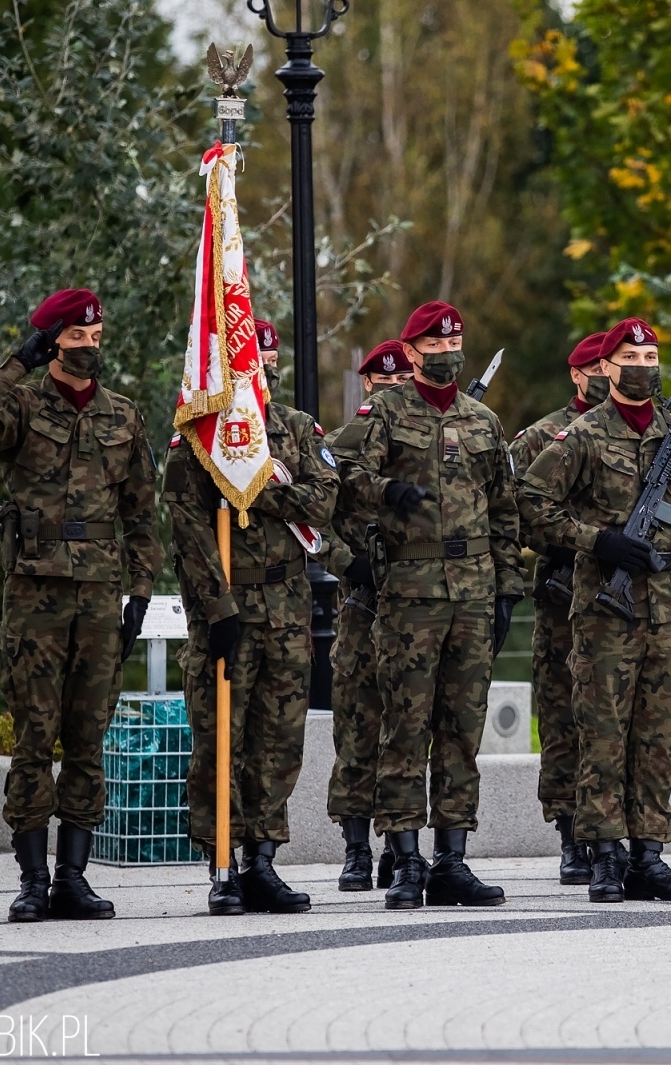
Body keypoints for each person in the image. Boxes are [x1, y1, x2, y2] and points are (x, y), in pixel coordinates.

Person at [0, 289, 162, 921]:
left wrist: (141, 591)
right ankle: (32, 879)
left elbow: (142, 514)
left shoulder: (123, 415)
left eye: (96, 339)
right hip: (35, 593)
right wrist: (16, 362)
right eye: (76, 339)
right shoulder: (18, 404)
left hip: (100, 596)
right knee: (33, 737)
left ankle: (74, 877)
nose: (89, 349)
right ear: (53, 342)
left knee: (88, 737)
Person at [337, 301, 523, 909]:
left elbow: (504, 509)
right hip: (410, 593)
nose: (447, 353)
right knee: (404, 727)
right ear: (412, 352)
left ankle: (451, 859)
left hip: (472, 590)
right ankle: (406, 861)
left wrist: (506, 591)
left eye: (455, 344)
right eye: (435, 347)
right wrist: (388, 489)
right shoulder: (385, 412)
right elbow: (345, 480)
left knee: (462, 729)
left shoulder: (482, 420)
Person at [518, 317, 671, 904]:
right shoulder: (581, 435)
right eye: (630, 354)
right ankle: (603, 853)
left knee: (657, 737)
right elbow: (529, 503)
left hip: (668, 610)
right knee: (601, 735)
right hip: (605, 613)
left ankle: (649, 854)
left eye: (651, 355)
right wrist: (596, 540)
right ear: (604, 366)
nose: (643, 365)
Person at [163, 316, 337, 915]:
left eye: (261, 361)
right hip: (228, 607)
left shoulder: (294, 428)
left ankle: (264, 859)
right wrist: (216, 609)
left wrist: (252, 482)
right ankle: (224, 864)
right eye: (242, 363)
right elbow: (186, 530)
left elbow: (322, 500)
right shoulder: (197, 438)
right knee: (221, 740)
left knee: (279, 741)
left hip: (288, 607)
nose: (253, 371)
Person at [508, 331, 608, 885]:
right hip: (563, 598)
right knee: (565, 718)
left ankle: (618, 836)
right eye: (594, 367)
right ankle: (571, 835)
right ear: (577, 375)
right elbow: (514, 511)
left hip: (622, 598)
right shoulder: (543, 436)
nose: (604, 375)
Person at [325, 339, 414, 893]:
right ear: (367, 389)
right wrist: (347, 564)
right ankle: (356, 849)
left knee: (405, 731)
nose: (391, 393)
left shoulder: (425, 450)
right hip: (363, 608)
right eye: (382, 385)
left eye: (401, 383)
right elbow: (311, 520)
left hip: (413, 604)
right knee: (358, 732)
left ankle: (397, 848)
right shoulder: (338, 447)